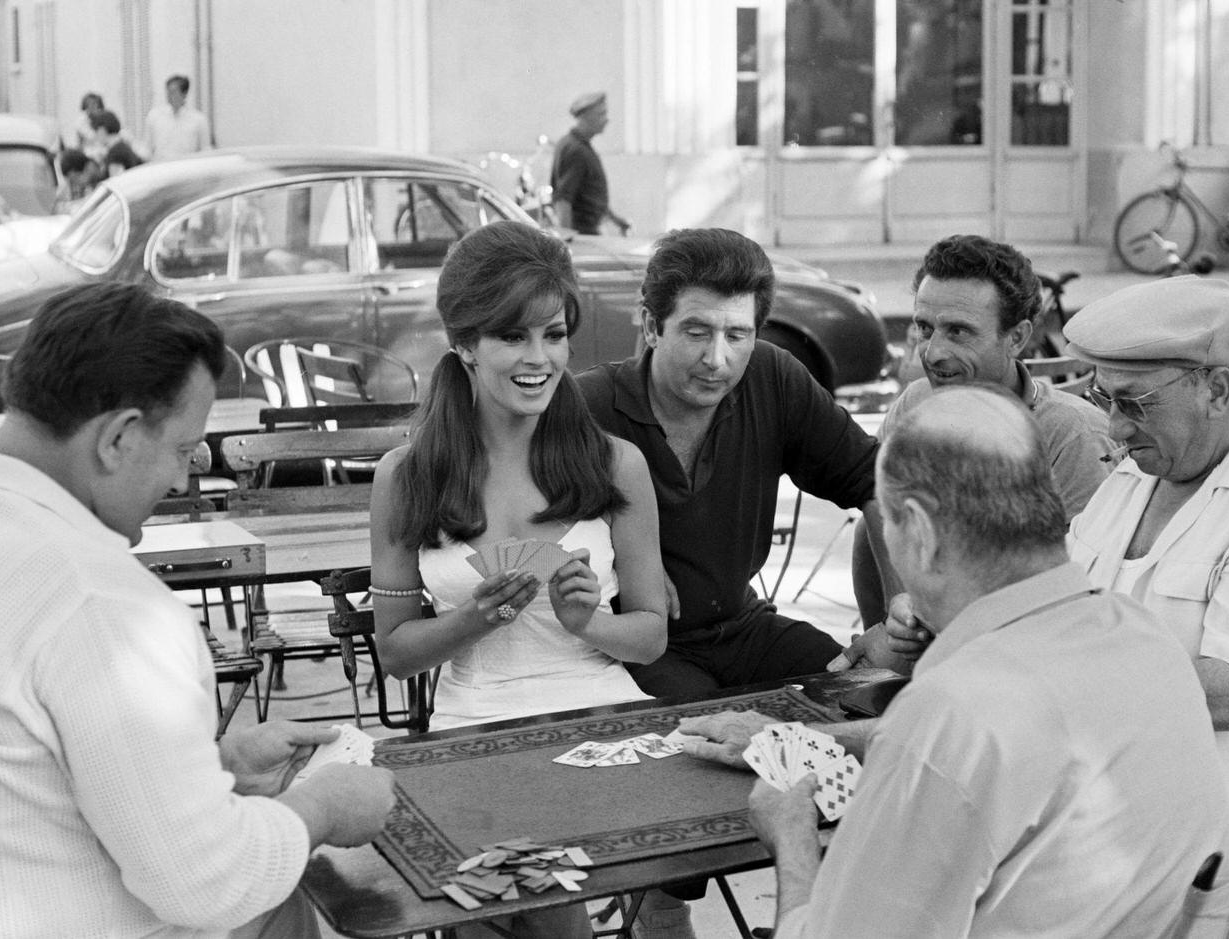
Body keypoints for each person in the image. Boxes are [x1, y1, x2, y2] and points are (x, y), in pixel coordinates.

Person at [0, 282, 396, 937]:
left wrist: (211, 764)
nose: (179, 482)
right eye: (179, 451)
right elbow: (207, 883)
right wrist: (321, 808)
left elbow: (15, 768)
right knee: (293, 902)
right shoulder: (102, 602)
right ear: (118, 438)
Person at [705, 386, 1229, 937]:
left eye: (887, 524)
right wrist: (819, 739)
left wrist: (790, 836)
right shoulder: (1145, 639)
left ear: (919, 531)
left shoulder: (953, 710)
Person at [369, 220, 666, 938]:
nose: (541, 359)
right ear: (465, 343)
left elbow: (652, 636)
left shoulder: (615, 463)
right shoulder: (404, 477)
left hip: (600, 723)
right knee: (498, 895)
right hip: (473, 727)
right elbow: (395, 652)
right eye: (515, 337)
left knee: (534, 894)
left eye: (555, 335)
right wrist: (472, 618)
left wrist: (587, 620)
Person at [1061, 276, 1229, 877]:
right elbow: (1057, 603)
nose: (1117, 428)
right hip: (1115, 820)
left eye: (1137, 403)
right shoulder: (1135, 474)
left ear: (1217, 390)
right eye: (1105, 400)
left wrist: (1051, 679)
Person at [578, 228, 882, 698]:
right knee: (696, 743)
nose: (716, 359)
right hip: (638, 650)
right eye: (696, 332)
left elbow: (880, 485)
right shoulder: (589, 405)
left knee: (866, 694)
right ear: (651, 326)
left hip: (745, 627)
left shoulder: (773, 376)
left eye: (737, 335)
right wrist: (622, 553)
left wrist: (896, 615)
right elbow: (502, 507)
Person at [850, 234, 1111, 627]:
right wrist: (895, 614)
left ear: (1017, 338)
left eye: (958, 332)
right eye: (924, 328)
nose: (933, 353)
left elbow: (1082, 586)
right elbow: (880, 520)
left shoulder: (1072, 434)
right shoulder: (916, 403)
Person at [550, 91, 630, 236]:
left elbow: (590, 194)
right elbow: (563, 200)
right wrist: (567, 242)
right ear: (585, 117)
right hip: (582, 235)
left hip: (588, 233)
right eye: (601, 114)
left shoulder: (581, 147)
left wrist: (615, 219)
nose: (606, 120)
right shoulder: (575, 150)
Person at [143, 74, 211, 161]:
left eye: (173, 92)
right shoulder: (154, 116)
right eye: (168, 91)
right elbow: (147, 148)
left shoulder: (199, 119)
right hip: (160, 167)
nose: (169, 96)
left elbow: (205, 150)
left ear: (184, 94)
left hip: (187, 168)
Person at [91, 109, 145, 177]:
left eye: (96, 130)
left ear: (102, 129)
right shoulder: (122, 146)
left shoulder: (115, 152)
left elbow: (115, 182)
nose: (95, 135)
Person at [73, 90, 106, 161]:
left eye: (94, 103)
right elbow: (91, 136)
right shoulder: (81, 120)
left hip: (103, 152)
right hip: (88, 153)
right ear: (85, 106)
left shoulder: (104, 117)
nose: (92, 106)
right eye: (89, 104)